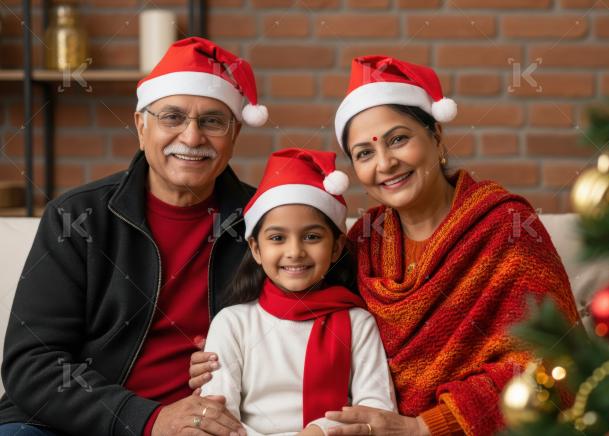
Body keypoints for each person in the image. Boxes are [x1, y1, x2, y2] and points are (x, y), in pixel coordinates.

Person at [191, 55, 580, 436]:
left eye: (398, 140)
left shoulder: (506, 227)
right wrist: (215, 361)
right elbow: (299, 313)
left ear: (437, 136)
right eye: (364, 153)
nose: (385, 163)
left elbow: (559, 362)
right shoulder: (366, 239)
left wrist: (425, 426)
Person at [0, 37, 268, 436]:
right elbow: (31, 362)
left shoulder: (267, 222)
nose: (192, 138)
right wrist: (147, 419)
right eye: (172, 117)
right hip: (70, 424)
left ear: (234, 135)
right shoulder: (77, 217)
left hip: (208, 425)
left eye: (212, 120)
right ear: (141, 126)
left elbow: (311, 331)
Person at [199, 148, 396, 436]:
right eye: (277, 238)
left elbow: (376, 410)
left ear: (336, 248)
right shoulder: (232, 324)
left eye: (312, 237)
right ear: (256, 248)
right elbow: (220, 414)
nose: (295, 252)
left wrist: (322, 431)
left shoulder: (357, 323)